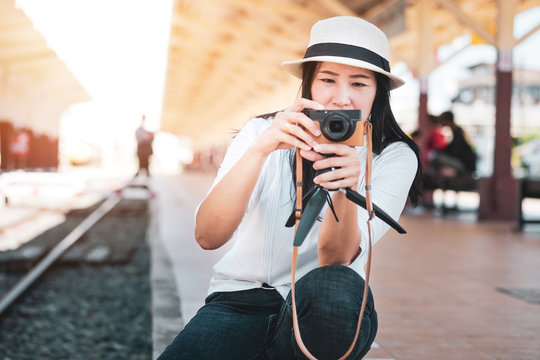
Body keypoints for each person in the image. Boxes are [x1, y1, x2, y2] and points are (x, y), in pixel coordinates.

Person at [158, 16, 421, 360]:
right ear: (309, 84)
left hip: (323, 309)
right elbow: (208, 236)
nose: (341, 98)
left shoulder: (392, 155)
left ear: (378, 93)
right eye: (328, 79)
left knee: (333, 285)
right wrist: (261, 148)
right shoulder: (263, 131)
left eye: (359, 84)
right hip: (240, 300)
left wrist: (344, 186)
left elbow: (335, 259)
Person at [433, 110, 477, 177]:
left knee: (437, 158)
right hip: (465, 164)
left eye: (442, 120)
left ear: (447, 120)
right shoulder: (457, 131)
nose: (440, 123)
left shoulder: (458, 133)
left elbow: (455, 152)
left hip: (465, 166)